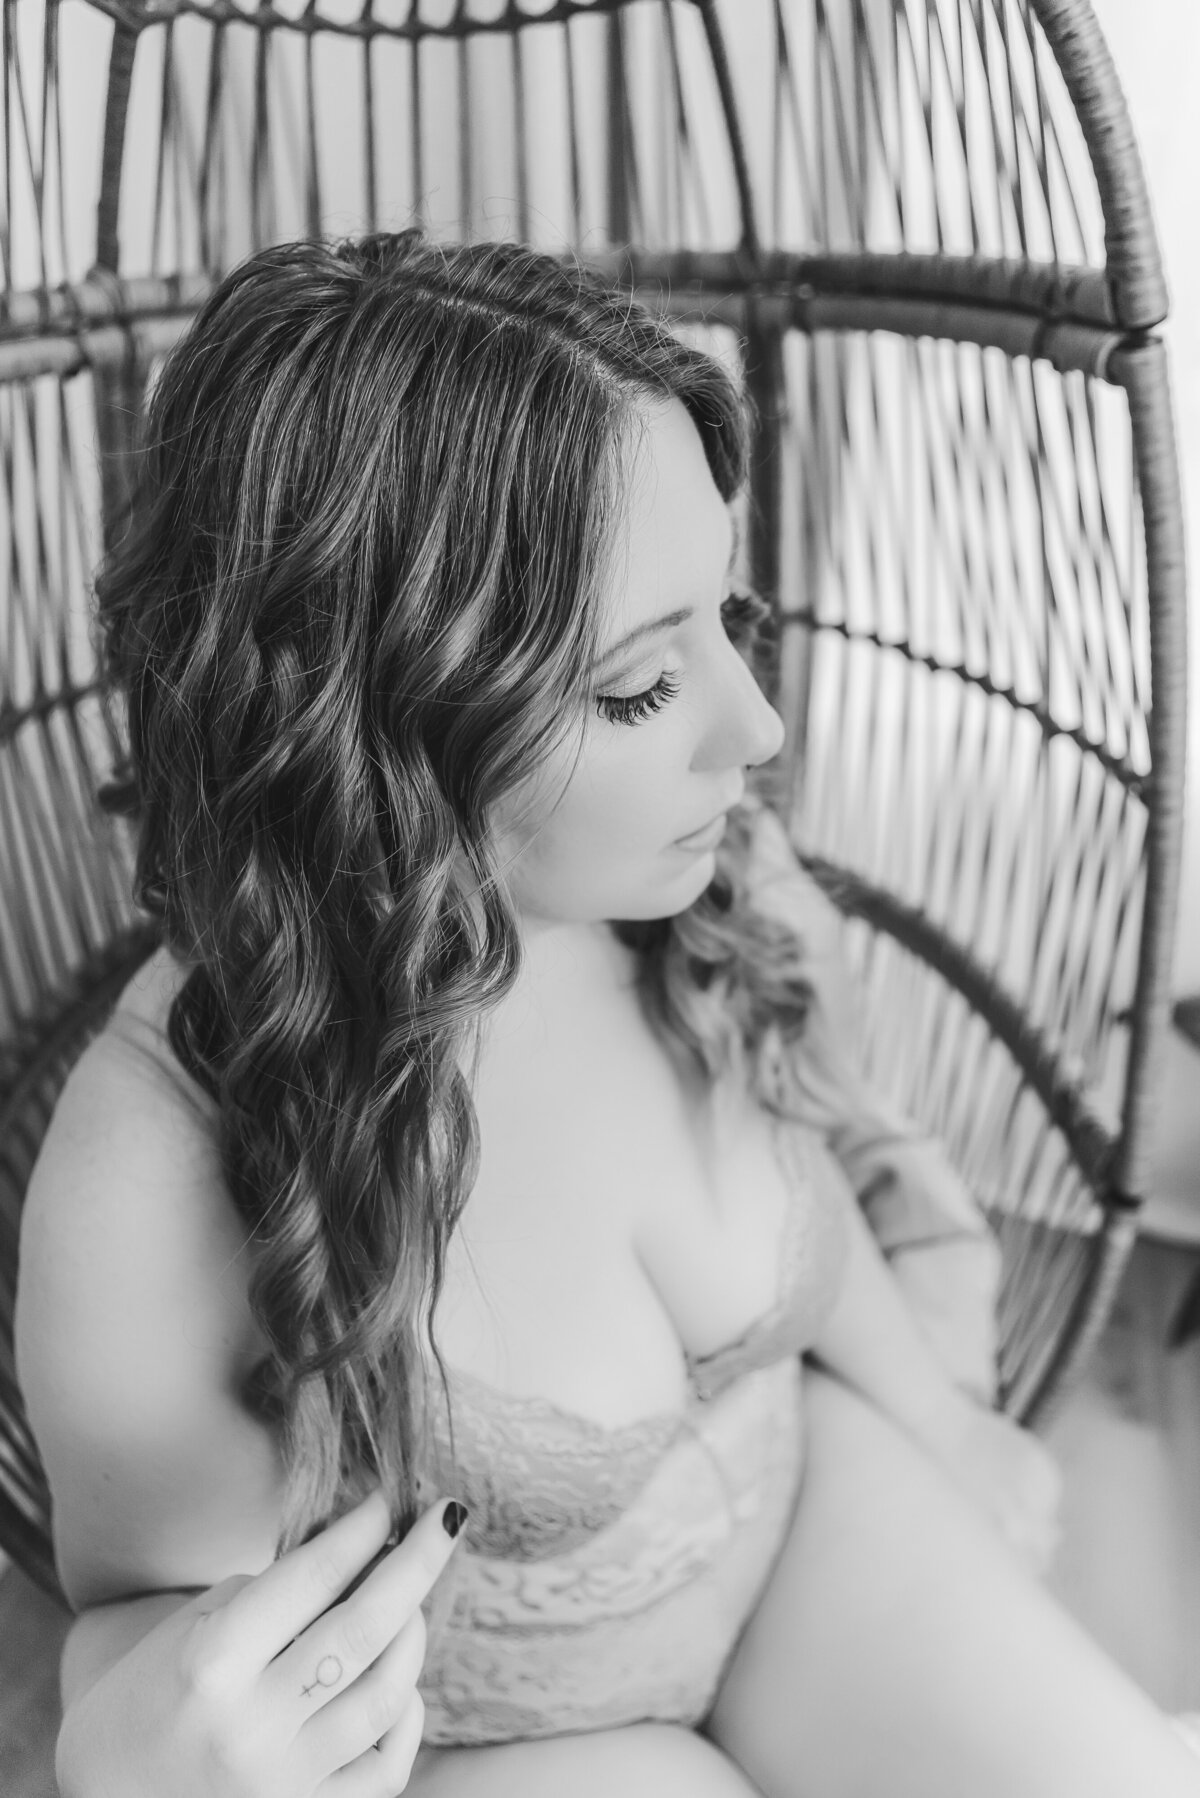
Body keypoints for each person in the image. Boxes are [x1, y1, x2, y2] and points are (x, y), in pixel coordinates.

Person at [13, 232, 1200, 1798]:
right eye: (641, 686)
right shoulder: (158, 1182)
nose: (757, 726)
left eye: (731, 618)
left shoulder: (683, 896)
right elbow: (150, 1649)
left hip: (796, 1514)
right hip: (526, 1732)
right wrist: (137, 1749)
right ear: (376, 729)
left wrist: (932, 1417)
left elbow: (813, 1197)